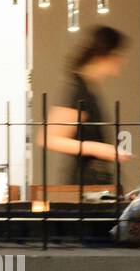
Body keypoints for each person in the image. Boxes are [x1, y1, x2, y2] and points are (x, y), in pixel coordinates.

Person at [41, 25, 133, 189]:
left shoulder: (87, 89)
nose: (122, 60)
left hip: (91, 186)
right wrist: (97, 148)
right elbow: (49, 138)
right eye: (118, 54)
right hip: (84, 187)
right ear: (104, 55)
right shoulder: (79, 91)